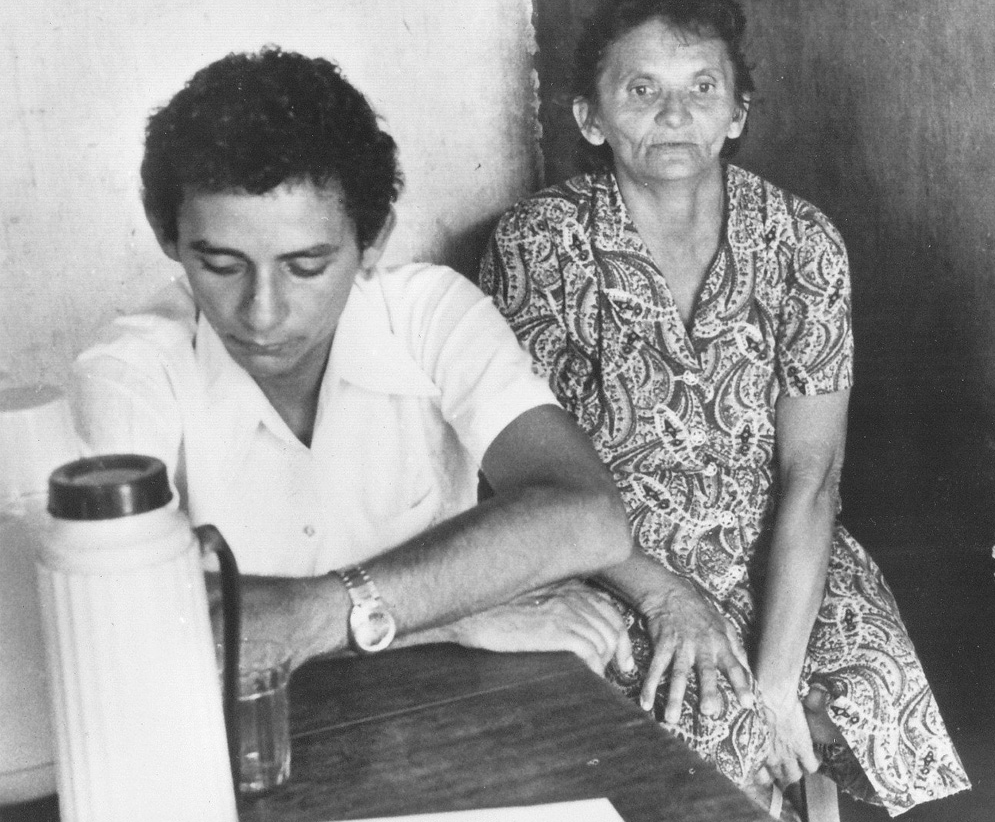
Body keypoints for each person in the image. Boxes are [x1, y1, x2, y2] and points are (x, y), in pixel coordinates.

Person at [479, 0, 968, 816]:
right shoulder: (539, 243)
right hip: (608, 554)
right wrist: (671, 602)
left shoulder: (802, 242)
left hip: (776, 542)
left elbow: (812, 477)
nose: (675, 115)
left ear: (737, 111)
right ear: (590, 117)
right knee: (706, 717)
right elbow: (532, 481)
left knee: (866, 691)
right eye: (642, 91)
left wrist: (778, 681)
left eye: (702, 88)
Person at [71, 47, 636, 675]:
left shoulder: (428, 313)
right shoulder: (129, 372)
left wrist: (316, 615)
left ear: (373, 241)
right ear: (166, 235)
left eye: (305, 266)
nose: (262, 312)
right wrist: (442, 612)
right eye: (222, 265)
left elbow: (589, 515)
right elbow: (117, 615)